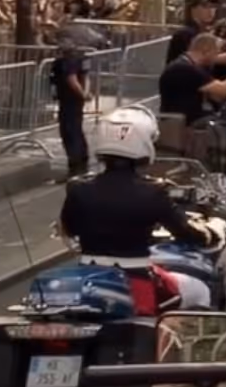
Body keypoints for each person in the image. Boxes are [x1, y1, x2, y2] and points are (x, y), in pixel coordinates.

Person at [59, 107, 217, 310]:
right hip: (135, 278)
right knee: (200, 290)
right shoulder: (154, 191)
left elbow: (70, 230)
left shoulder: (78, 188)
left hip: (88, 279)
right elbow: (184, 231)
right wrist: (211, 231)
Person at [158, 33, 226, 124]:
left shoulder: (191, 66)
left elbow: (217, 97)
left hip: (192, 118)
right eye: (216, 53)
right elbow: (223, 90)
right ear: (206, 50)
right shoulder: (184, 68)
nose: (216, 57)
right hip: (184, 123)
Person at [48, 36, 92, 180]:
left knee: (69, 131)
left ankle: (75, 167)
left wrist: (82, 94)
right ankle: (82, 164)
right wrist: (84, 93)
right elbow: (85, 77)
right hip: (75, 100)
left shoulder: (67, 61)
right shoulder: (81, 58)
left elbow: (71, 79)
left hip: (68, 99)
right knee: (76, 129)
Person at [164, 0, 219, 64]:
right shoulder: (185, 34)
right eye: (205, 6)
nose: (210, 10)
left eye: (213, 7)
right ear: (193, 9)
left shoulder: (210, 31)